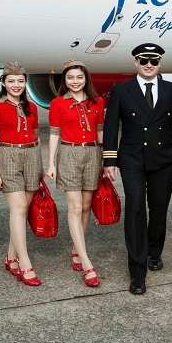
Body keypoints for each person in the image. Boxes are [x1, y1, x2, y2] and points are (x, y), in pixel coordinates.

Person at [102, 43, 172, 295]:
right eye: (143, 61)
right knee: (136, 209)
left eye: (153, 61)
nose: (148, 65)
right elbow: (111, 126)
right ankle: (137, 271)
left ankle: (154, 252)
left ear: (160, 63)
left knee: (159, 208)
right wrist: (110, 160)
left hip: (164, 159)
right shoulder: (121, 90)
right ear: (136, 63)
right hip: (132, 159)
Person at [47, 60, 105, 288]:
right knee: (75, 206)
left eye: (79, 77)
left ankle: (76, 249)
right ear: (64, 80)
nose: (75, 81)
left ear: (86, 79)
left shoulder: (98, 102)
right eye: (70, 78)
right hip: (68, 153)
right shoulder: (58, 103)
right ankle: (87, 262)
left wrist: (106, 160)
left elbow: (100, 132)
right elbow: (54, 134)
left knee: (86, 206)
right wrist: (51, 163)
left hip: (92, 153)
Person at [0, 62, 43, 287]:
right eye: (11, 81)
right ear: (3, 83)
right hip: (7, 155)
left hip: (32, 155)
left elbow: (36, 135)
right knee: (18, 208)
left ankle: (10, 257)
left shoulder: (32, 108)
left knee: (23, 210)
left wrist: (39, 163)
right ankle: (24, 262)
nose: (16, 85)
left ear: (25, 83)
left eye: (20, 81)